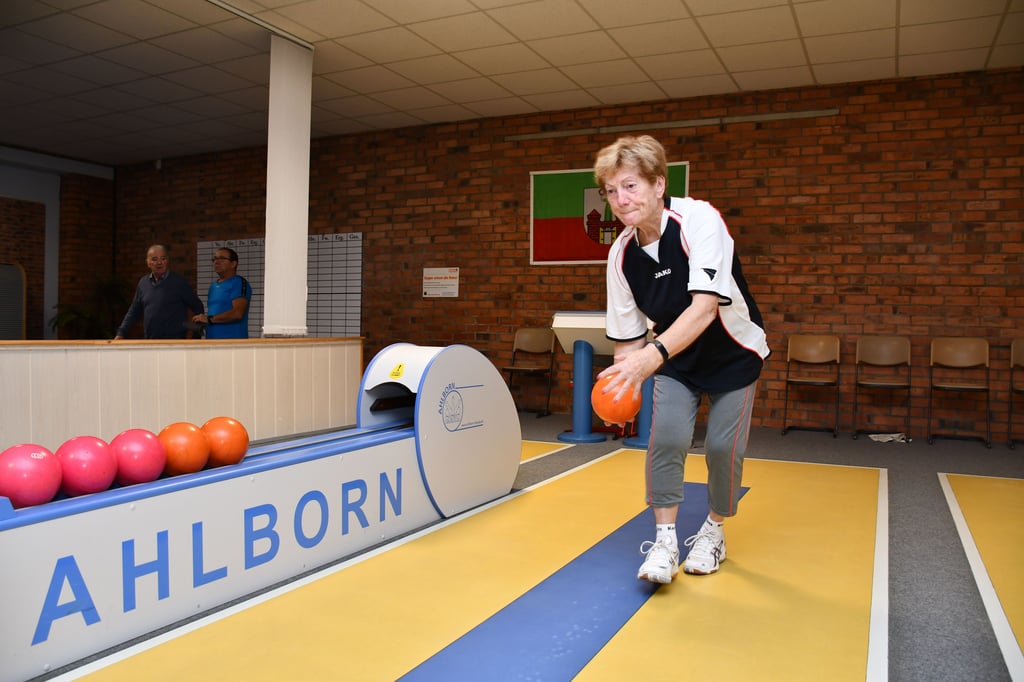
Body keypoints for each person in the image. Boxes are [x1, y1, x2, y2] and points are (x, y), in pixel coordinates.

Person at [593, 135, 770, 584]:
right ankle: (665, 540)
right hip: (675, 357)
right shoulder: (620, 256)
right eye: (611, 191)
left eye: (630, 186)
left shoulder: (698, 220)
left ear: (657, 184)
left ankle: (714, 530)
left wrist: (645, 361)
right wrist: (619, 386)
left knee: (722, 448)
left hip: (734, 351)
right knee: (667, 439)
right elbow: (628, 340)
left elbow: (705, 308)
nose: (620, 200)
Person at [115, 244, 205, 340]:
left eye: (163, 258)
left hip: (175, 343)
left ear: (167, 261)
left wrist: (196, 336)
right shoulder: (143, 283)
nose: (159, 262)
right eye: (154, 259)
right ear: (148, 262)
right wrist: (121, 333)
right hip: (150, 341)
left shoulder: (179, 283)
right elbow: (134, 311)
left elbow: (198, 307)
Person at [192, 247, 251, 339]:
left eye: (222, 258)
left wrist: (209, 319)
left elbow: (237, 313)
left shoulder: (239, 283)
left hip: (232, 343)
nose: (216, 262)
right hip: (212, 341)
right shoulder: (213, 286)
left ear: (233, 264)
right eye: (215, 259)